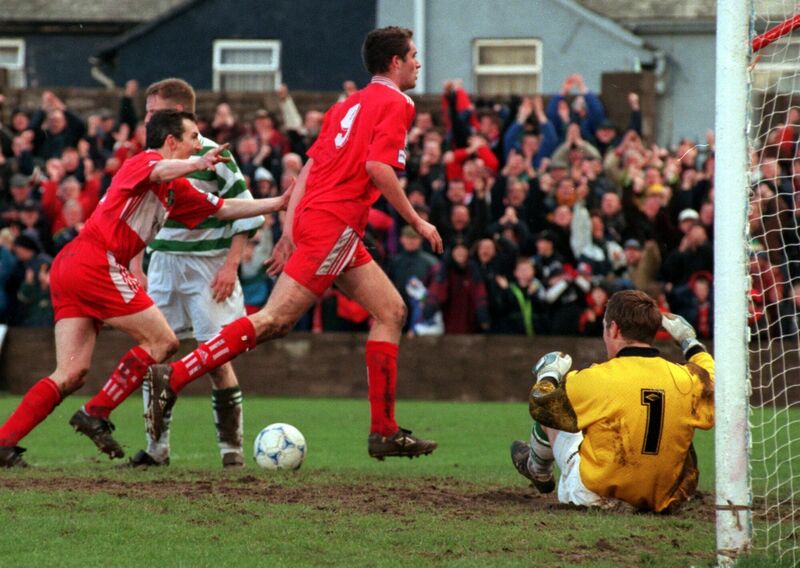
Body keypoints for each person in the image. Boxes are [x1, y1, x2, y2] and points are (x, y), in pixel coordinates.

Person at [144, 26, 443, 461]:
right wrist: (417, 219)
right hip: (335, 224)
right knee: (273, 320)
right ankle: (174, 377)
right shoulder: (398, 102)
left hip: (317, 220)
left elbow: (310, 165)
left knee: (391, 311)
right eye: (413, 55)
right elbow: (378, 166)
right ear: (394, 63)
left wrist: (288, 231)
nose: (418, 62)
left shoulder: (348, 104)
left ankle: (384, 431)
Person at [0, 109, 290, 467]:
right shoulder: (146, 160)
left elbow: (224, 208)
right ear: (172, 142)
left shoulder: (175, 188)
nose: (199, 144)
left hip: (72, 265)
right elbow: (160, 169)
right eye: (193, 137)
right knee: (163, 342)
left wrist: (277, 203)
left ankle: (4, 442)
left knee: (71, 373)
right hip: (96, 262)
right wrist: (198, 163)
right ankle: (97, 411)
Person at [124, 78, 264, 469]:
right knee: (156, 355)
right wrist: (138, 267)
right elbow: (135, 216)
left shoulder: (214, 156)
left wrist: (231, 265)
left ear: (178, 114)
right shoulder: (150, 159)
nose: (146, 117)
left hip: (208, 268)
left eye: (153, 111)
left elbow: (246, 209)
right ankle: (156, 449)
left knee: (215, 359)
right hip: (164, 264)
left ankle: (231, 451)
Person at [510, 290, 714, 512]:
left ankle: (537, 468)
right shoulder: (688, 379)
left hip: (597, 497)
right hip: (666, 499)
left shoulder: (594, 378)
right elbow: (711, 374)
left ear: (614, 329)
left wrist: (548, 374)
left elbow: (541, 404)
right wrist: (689, 341)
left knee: (558, 408)